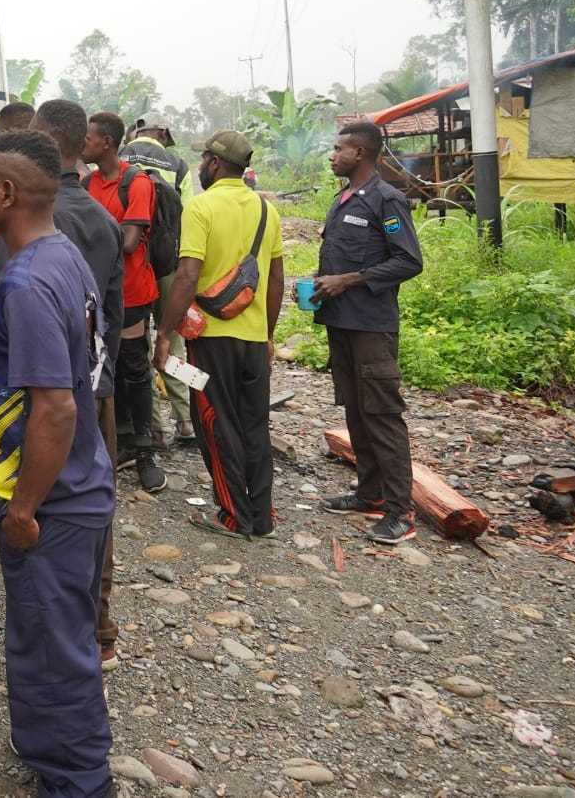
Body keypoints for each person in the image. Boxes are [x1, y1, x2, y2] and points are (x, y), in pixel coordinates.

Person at [0, 130, 115, 798]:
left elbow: (55, 408)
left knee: (58, 652)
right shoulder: (62, 255)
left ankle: (79, 782)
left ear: (5, 193)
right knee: (42, 636)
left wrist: (24, 507)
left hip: (52, 501)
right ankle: (44, 749)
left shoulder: (28, 282)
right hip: (74, 485)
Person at [30, 100, 127, 671]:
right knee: (96, 506)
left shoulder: (36, 221)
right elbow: (110, 316)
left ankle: (60, 638)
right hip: (96, 387)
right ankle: (100, 627)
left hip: (46, 394)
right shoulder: (101, 219)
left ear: (43, 140)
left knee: (39, 506)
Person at [153, 131, 286, 539]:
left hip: (211, 339)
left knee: (215, 423)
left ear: (213, 163)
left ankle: (233, 516)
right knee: (254, 424)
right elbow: (276, 278)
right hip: (252, 338)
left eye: (203, 160)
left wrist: (164, 333)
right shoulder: (267, 211)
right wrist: (267, 334)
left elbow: (188, 275)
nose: (200, 166)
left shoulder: (201, 207)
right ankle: (261, 516)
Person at [313, 121, 424, 544]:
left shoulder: (387, 200)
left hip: (371, 326)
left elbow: (409, 262)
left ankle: (402, 512)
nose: (332, 154)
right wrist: (323, 280)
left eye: (338, 148)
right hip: (341, 321)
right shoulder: (342, 199)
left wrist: (349, 280)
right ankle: (369, 494)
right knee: (356, 410)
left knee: (382, 414)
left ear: (359, 153)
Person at [82, 111, 169, 494]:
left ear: (106, 142)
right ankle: (117, 442)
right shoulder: (87, 184)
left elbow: (131, 240)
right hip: (96, 292)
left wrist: (90, 236)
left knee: (135, 370)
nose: (82, 142)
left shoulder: (136, 183)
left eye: (88, 137)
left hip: (132, 294)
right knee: (105, 368)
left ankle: (146, 450)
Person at [121, 119, 195, 450]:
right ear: (164, 137)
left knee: (138, 346)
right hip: (168, 265)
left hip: (133, 264)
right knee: (173, 341)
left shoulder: (122, 154)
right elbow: (189, 217)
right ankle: (186, 420)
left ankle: (151, 427)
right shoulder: (179, 166)